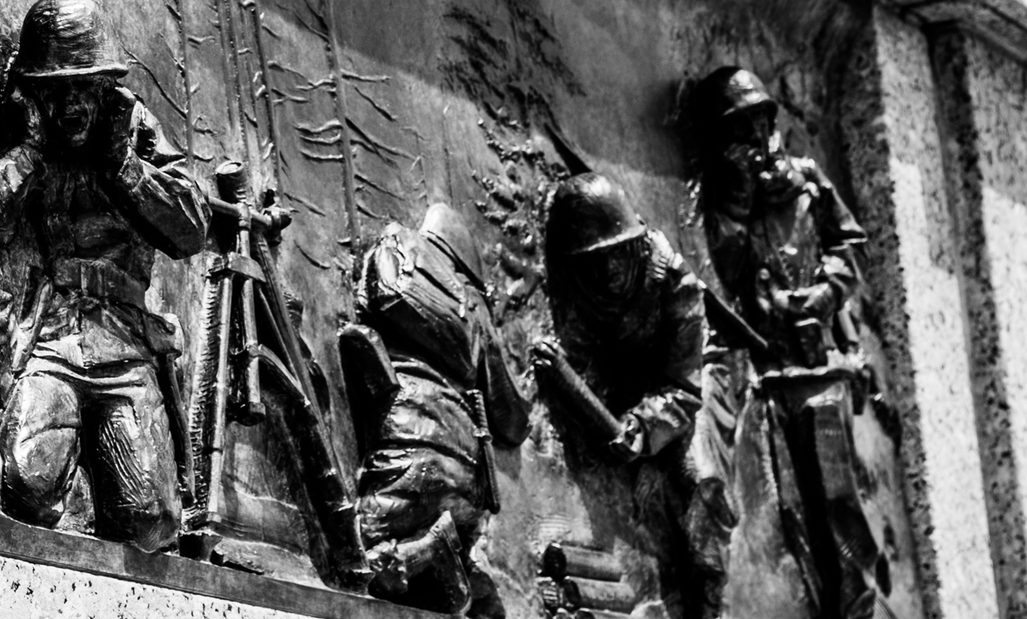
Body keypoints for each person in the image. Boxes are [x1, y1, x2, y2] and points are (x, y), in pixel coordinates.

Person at [0, 0, 203, 551]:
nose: (70, 103)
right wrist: (28, 153)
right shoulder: (31, 130)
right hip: (54, 341)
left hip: (124, 346)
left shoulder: (133, 128)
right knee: (27, 483)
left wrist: (125, 167)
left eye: (81, 87)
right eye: (56, 89)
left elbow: (190, 228)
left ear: (103, 87)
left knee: (148, 522)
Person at [690, 66, 879, 619]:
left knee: (840, 501)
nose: (752, 139)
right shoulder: (727, 204)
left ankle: (860, 604)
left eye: (757, 123)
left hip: (820, 371)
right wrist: (741, 201)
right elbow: (727, 267)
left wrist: (822, 296)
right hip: (769, 380)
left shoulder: (809, 182)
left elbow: (852, 248)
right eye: (737, 129)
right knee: (792, 512)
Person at [533, 172, 717, 619]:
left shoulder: (675, 285)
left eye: (613, 257)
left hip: (669, 405)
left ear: (635, 244)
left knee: (698, 494)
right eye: (591, 263)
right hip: (606, 402)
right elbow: (576, 352)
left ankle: (709, 598)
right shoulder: (572, 279)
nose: (606, 273)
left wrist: (639, 429)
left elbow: (685, 388)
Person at [340, 202, 532, 615]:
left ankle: (437, 551)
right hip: (465, 470)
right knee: (383, 562)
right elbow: (512, 420)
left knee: (365, 552)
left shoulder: (394, 246)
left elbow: (386, 295)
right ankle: (456, 566)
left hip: (412, 444)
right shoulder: (472, 307)